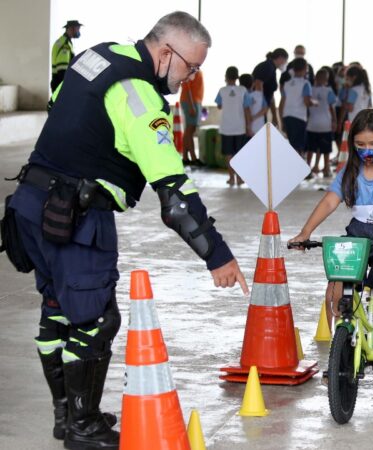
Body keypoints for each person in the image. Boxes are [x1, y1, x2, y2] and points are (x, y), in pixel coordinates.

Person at [2, 12, 248, 448]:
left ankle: (67, 415)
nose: (190, 78)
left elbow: (59, 103)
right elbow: (174, 199)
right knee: (95, 320)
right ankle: (84, 426)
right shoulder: (139, 98)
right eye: (190, 67)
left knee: (57, 309)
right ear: (166, 52)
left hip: (30, 204)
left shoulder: (98, 56)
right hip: (75, 216)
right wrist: (218, 255)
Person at [288, 109, 373, 409]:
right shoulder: (349, 172)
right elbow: (330, 201)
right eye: (361, 144)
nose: (368, 151)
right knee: (335, 292)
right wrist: (304, 232)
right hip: (358, 238)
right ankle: (341, 353)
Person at [214, 66, 252, 186]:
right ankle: (240, 178)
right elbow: (247, 109)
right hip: (240, 127)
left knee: (229, 154)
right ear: (237, 77)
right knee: (239, 154)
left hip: (226, 128)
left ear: (226, 77)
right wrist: (248, 126)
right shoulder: (243, 90)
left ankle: (231, 178)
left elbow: (219, 106)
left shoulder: (222, 90)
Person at [279, 58, 313, 161]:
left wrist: (281, 119)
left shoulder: (287, 84)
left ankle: (295, 168)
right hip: (299, 117)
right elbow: (307, 102)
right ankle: (300, 169)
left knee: (292, 144)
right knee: (299, 145)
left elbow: (282, 103)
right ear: (305, 69)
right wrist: (314, 103)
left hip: (287, 116)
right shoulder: (305, 83)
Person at [307, 68, 339, 177]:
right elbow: (332, 107)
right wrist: (335, 121)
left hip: (312, 124)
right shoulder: (329, 91)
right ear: (327, 79)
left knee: (311, 148)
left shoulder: (310, 90)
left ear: (315, 77)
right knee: (326, 149)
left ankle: (308, 168)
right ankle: (326, 169)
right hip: (325, 124)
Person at [252, 48, 289, 128]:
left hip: (263, 110)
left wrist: (275, 116)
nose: (285, 63)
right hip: (257, 110)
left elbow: (270, 95)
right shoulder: (267, 66)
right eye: (285, 61)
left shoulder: (272, 69)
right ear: (280, 58)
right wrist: (261, 104)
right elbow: (258, 83)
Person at [179, 69, 204, 165]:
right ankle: (193, 158)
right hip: (191, 102)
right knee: (190, 129)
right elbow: (186, 87)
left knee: (189, 129)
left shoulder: (196, 69)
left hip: (195, 101)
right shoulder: (191, 70)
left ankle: (185, 157)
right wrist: (191, 105)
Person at [51, 20, 82, 93]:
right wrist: (67, 85)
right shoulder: (65, 44)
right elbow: (62, 68)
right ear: (71, 29)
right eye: (78, 29)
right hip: (60, 84)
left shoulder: (63, 41)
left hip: (57, 82)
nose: (78, 31)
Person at [239, 73, 268, 138]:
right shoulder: (259, 95)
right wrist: (254, 117)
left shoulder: (239, 96)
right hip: (259, 127)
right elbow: (265, 109)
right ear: (253, 83)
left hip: (242, 129)